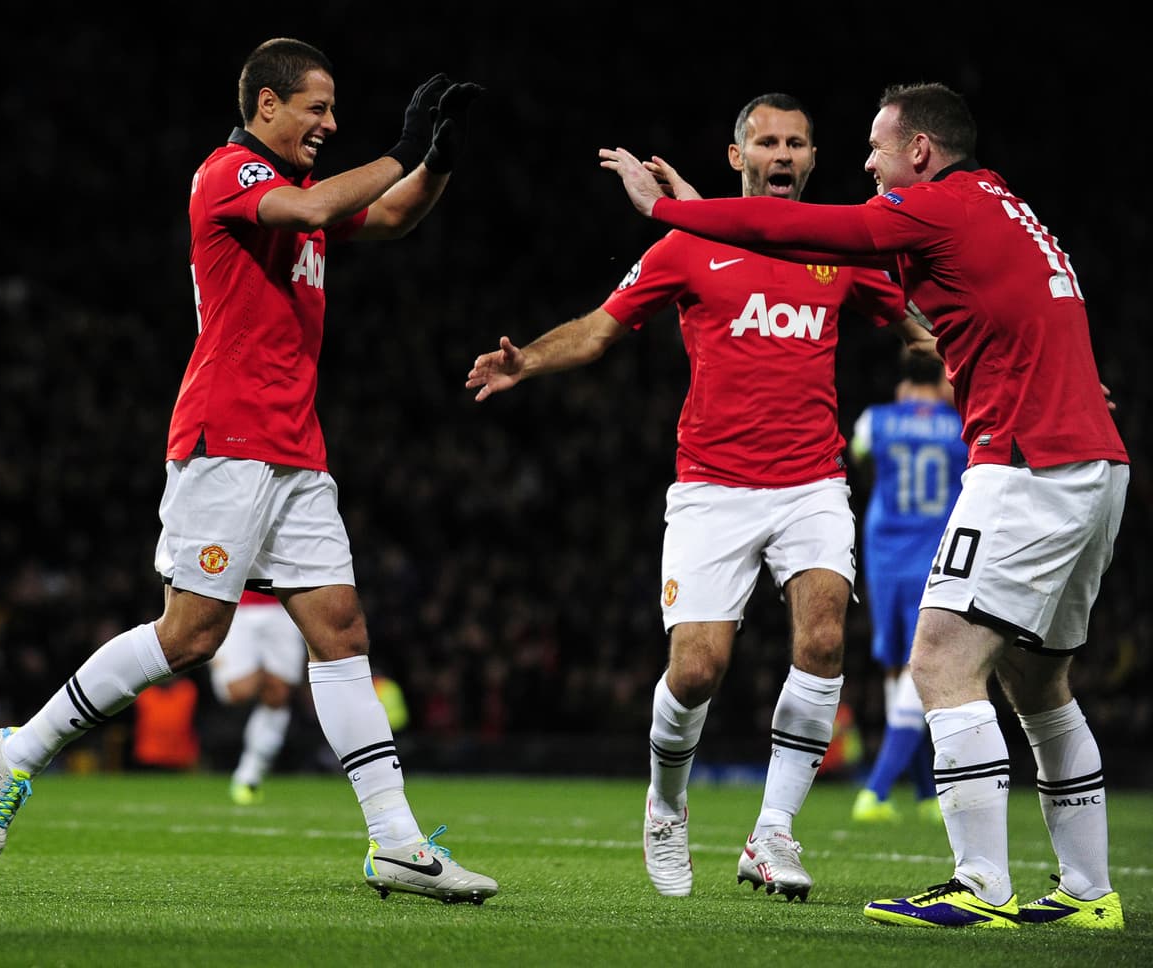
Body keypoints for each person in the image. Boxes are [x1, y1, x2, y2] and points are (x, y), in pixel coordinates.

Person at [0, 37, 497, 906]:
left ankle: (396, 842)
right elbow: (322, 208)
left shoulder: (294, 192)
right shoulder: (230, 175)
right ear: (265, 108)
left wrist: (434, 163)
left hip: (294, 447)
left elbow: (392, 219)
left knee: (341, 631)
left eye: (333, 109)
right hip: (225, 438)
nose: (329, 122)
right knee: (190, 636)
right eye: (316, 108)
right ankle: (16, 751)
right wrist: (401, 146)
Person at [604, 82, 1128, 929]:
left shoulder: (928, 209)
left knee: (939, 666)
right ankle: (1089, 893)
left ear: (919, 152)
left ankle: (981, 886)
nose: (865, 164)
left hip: (1025, 464)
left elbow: (804, 231)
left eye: (877, 149)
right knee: (1040, 682)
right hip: (1093, 459)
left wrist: (672, 213)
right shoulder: (1001, 203)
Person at [467, 93, 932, 901]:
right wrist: (527, 362)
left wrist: (1026, 376)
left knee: (823, 640)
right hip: (712, 490)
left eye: (796, 144)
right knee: (697, 671)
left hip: (811, 481)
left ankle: (773, 832)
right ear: (736, 157)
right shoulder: (688, 247)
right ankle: (667, 801)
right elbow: (602, 327)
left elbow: (923, 331)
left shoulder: (840, 248)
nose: (782, 155)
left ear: (813, 161)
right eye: (767, 142)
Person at [849, 347, 965, 826]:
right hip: (935, 552)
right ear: (943, 378)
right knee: (921, 670)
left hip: (883, 552)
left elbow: (861, 460)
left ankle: (923, 794)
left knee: (900, 671)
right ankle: (875, 791)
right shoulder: (961, 424)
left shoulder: (875, 420)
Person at [210, 589, 307, 805]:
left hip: (282, 604)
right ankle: (223, 660)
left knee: (278, 694)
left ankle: (250, 773)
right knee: (236, 691)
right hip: (235, 603)